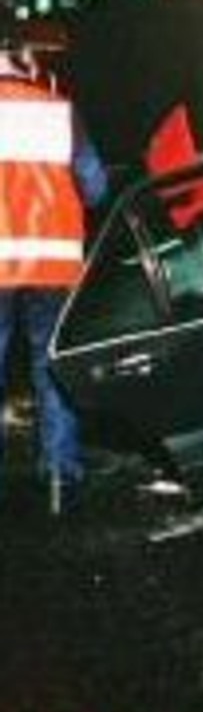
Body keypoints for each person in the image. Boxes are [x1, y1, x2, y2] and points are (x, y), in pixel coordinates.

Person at [0, 25, 108, 514]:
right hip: (53, 265)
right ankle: (60, 478)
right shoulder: (59, 113)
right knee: (51, 368)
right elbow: (96, 187)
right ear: (28, 63)